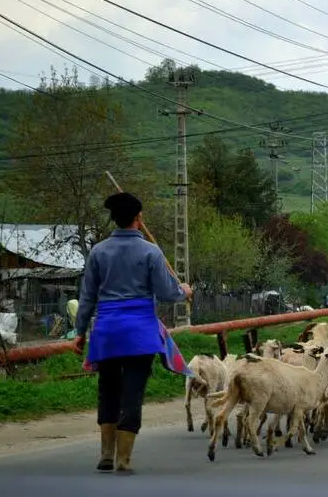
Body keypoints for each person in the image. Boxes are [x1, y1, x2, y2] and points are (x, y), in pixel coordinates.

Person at [73, 192, 194, 474]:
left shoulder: (98, 252)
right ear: (138, 219)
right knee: (132, 393)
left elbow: (87, 296)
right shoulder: (151, 252)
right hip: (140, 333)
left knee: (108, 390)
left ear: (114, 219)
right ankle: (123, 459)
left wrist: (79, 331)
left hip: (107, 332)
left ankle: (105, 453)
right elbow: (166, 293)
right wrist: (184, 291)